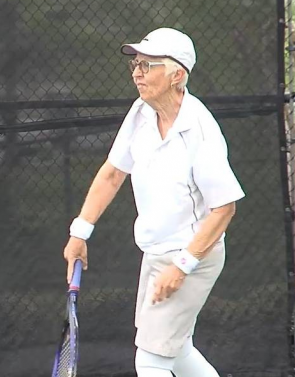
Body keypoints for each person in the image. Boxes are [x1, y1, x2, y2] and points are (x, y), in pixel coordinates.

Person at [63, 27, 245, 377]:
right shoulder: (141, 112)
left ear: (178, 75)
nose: (137, 72)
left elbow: (225, 208)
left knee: (151, 360)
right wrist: (79, 233)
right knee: (177, 352)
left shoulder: (200, 131)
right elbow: (113, 173)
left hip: (193, 254)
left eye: (148, 65)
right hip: (156, 252)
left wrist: (182, 267)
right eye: (136, 64)